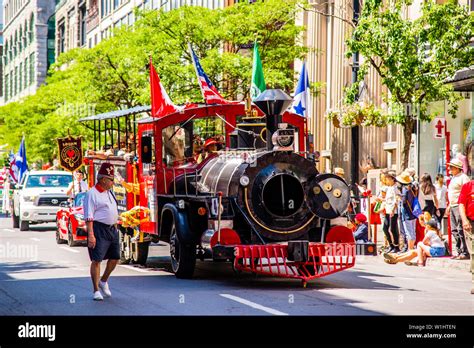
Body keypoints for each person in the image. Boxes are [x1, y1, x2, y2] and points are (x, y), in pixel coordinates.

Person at [84, 163, 119, 301]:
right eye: (111, 180)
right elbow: (89, 215)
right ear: (103, 179)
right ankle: (96, 290)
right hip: (99, 229)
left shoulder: (109, 192)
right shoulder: (92, 194)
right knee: (97, 259)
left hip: (112, 229)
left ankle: (103, 280)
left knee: (115, 257)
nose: (112, 182)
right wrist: (91, 235)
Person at [447, 158, 470, 260]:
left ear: (457, 168)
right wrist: (449, 206)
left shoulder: (463, 178)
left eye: (451, 167)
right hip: (452, 206)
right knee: (454, 230)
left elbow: (467, 193)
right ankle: (459, 250)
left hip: (459, 206)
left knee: (461, 229)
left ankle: (465, 251)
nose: (449, 169)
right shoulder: (453, 178)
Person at [458, 179, 474, 293]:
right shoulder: (468, 186)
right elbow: (461, 204)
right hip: (470, 223)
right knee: (473, 252)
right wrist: (464, 220)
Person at [397, 171, 417, 251]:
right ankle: (411, 248)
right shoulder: (413, 188)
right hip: (413, 213)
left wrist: (400, 197)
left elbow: (404, 201)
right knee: (413, 232)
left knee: (409, 233)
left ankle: (410, 249)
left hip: (407, 214)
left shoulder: (405, 190)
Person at [382, 171, 400, 253]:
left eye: (389, 179)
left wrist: (393, 209)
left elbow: (396, 199)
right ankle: (391, 245)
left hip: (393, 211)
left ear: (393, 179)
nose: (387, 180)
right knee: (385, 228)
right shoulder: (388, 188)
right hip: (387, 210)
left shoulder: (395, 188)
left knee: (393, 228)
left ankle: (396, 246)